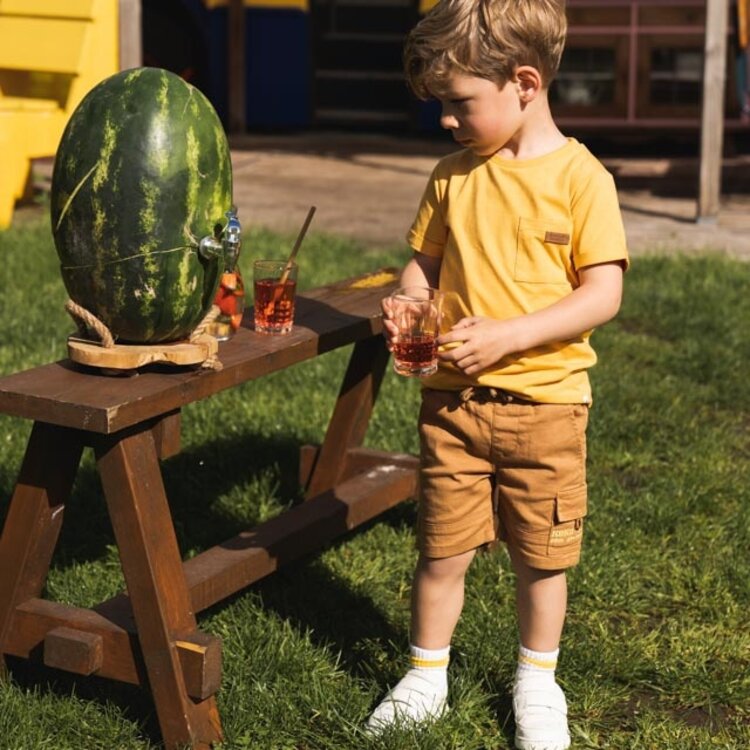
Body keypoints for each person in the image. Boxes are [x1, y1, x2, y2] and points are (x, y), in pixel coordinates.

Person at [366, 2, 629, 748]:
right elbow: (421, 266)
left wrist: (512, 334)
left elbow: (601, 291)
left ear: (523, 83)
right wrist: (407, 303)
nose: (447, 120)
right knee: (440, 549)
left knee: (542, 561)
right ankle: (425, 675)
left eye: (459, 102)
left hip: (546, 410)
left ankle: (538, 682)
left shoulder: (582, 179)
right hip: (452, 408)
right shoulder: (453, 177)